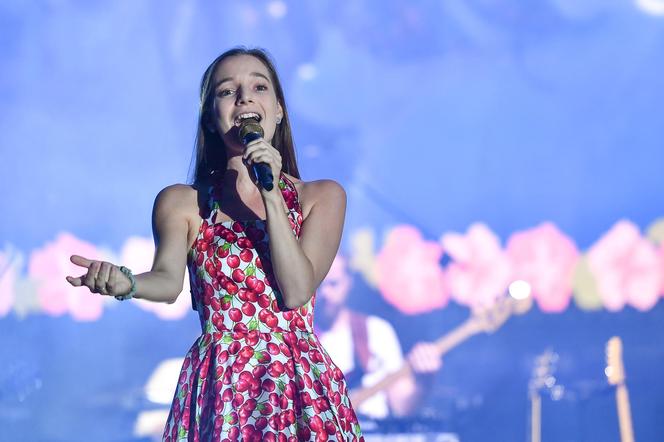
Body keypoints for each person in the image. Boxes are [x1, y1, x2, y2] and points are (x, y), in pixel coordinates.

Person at [66, 47, 363, 441]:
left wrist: (271, 194)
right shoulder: (182, 202)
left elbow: (296, 290)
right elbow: (168, 281)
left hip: (296, 384)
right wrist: (127, 283)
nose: (244, 98)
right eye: (227, 91)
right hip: (223, 384)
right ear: (210, 116)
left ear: (278, 110)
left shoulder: (322, 197)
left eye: (259, 86)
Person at [316, 254, 443, 420]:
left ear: (349, 282)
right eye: (318, 284)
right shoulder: (295, 337)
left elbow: (401, 406)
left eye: (334, 284)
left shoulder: (376, 331)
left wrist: (424, 381)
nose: (326, 293)